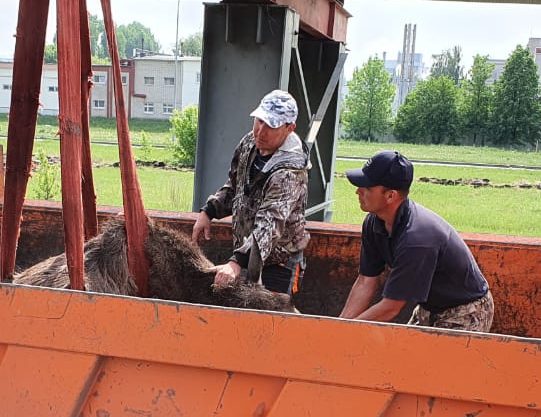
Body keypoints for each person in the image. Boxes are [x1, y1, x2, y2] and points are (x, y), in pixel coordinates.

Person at [339, 150, 494, 331]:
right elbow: (367, 280)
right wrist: (339, 325)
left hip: (465, 311)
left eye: (367, 188)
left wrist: (349, 331)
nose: (358, 191)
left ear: (390, 196)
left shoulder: (416, 238)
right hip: (428, 308)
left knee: (434, 360)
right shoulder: (375, 222)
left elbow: (391, 307)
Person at [191, 90, 310, 296]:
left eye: (270, 126)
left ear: (290, 128)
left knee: (269, 322)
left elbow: (270, 223)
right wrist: (209, 211)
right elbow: (236, 187)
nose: (260, 132)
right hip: (248, 252)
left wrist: (236, 263)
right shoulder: (249, 144)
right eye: (259, 121)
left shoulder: (289, 172)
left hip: (279, 261)